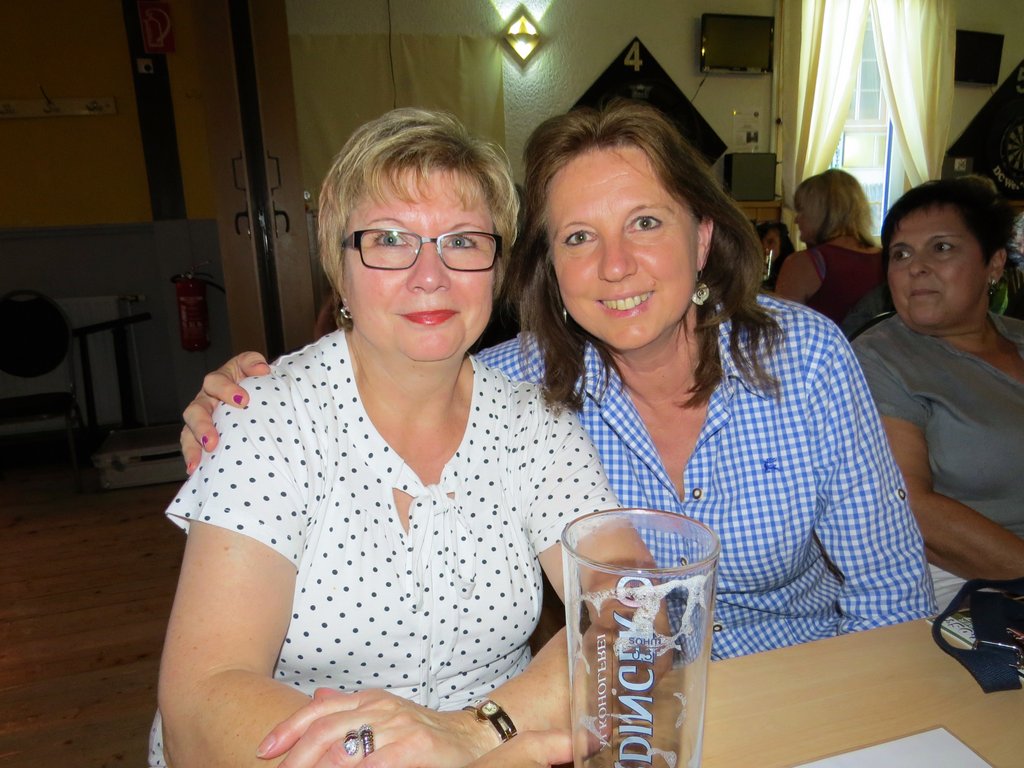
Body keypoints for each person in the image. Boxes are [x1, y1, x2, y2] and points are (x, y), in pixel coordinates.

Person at [182, 100, 934, 665]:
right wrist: (245, 402)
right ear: (550, 267)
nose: (615, 265)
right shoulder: (520, 391)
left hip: (807, 674)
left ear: (703, 237)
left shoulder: (805, 357)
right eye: (579, 237)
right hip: (629, 712)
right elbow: (401, 368)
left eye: (646, 223)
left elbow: (889, 587)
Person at [151, 108, 619, 768]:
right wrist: (394, 756)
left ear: (497, 269)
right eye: (390, 240)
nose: (430, 275)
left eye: (463, 241)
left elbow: (636, 613)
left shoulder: (536, 422)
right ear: (338, 267)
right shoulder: (264, 417)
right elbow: (201, 702)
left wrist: (474, 733)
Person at [852, 176, 1024, 608]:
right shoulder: (880, 359)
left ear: (994, 264)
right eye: (901, 254)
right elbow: (909, 506)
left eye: (942, 247)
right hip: (961, 580)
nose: (916, 266)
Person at [775, 169, 885, 331]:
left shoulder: (803, 263)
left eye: (801, 210)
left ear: (821, 213)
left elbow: (781, 331)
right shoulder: (888, 259)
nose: (797, 219)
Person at [755, 219, 795, 289]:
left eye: (770, 242)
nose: (764, 248)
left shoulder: (792, 271)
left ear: (782, 244)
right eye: (760, 243)